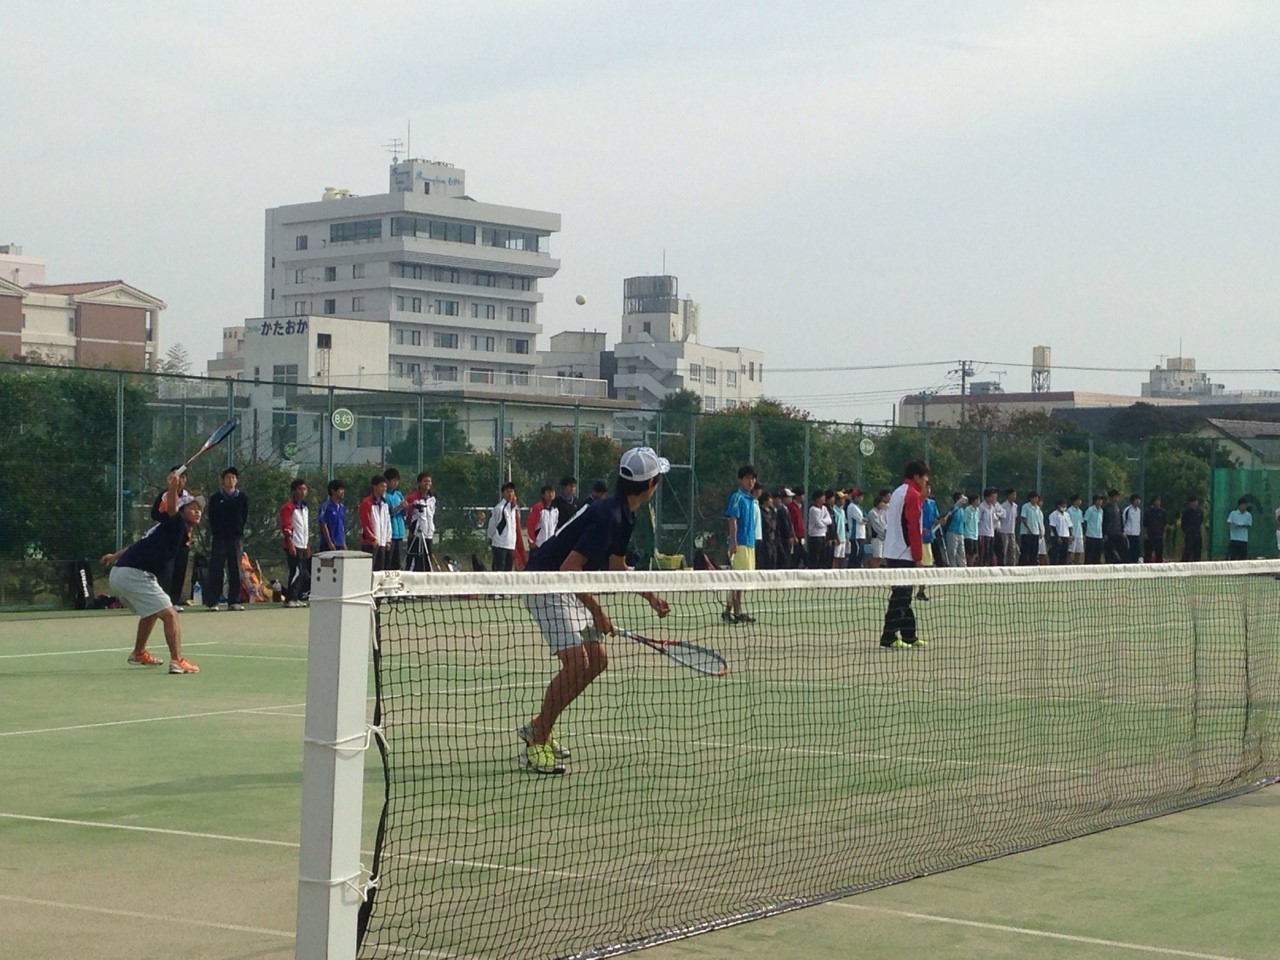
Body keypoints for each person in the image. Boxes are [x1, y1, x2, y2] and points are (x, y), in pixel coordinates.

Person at [517, 446, 671, 774]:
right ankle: (537, 741)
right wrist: (599, 611)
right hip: (545, 583)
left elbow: (616, 568)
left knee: (597, 660)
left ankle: (540, 724)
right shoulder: (608, 515)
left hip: (568, 584)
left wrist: (649, 596)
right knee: (577, 662)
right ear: (650, 484)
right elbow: (568, 570)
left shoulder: (626, 515)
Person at [100, 469, 202, 673]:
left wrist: (114, 556)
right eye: (192, 508)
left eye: (199, 509)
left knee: (151, 612)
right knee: (170, 614)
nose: (198, 511)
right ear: (182, 512)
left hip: (123, 572)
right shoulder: (175, 524)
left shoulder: (169, 531)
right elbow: (172, 508)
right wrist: (173, 486)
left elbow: (140, 544)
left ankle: (138, 652)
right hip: (133, 574)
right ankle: (177, 660)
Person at [880, 459, 930, 650]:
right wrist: (918, 557)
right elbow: (911, 528)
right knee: (900, 597)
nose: (926, 481)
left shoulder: (898, 492)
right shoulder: (912, 494)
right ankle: (888, 637)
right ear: (917, 476)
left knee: (903, 597)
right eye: (925, 477)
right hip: (904, 554)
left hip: (893, 552)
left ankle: (909, 636)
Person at [204, 466, 248, 611]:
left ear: (237, 480)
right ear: (223, 480)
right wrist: (218, 532)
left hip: (235, 539)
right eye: (228, 478)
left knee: (235, 569)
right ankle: (213, 602)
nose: (231, 480)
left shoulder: (242, 498)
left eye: (233, 478)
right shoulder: (216, 498)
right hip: (219, 539)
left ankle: (234, 601)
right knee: (216, 569)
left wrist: (238, 531)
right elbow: (212, 518)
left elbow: (244, 516)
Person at [150, 467, 191, 608]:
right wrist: (170, 520)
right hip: (167, 541)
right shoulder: (164, 496)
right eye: (178, 476)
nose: (181, 480)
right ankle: (163, 602)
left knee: (179, 571)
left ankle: (175, 601)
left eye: (183, 477)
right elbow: (155, 514)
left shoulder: (188, 498)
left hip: (183, 541)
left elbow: (193, 516)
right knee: (166, 571)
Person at [723, 464, 758, 624]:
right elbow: (733, 520)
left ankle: (728, 611)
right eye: (747, 478)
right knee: (738, 579)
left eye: (753, 478)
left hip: (750, 544)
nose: (750, 481)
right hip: (741, 544)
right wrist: (734, 542)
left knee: (742, 580)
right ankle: (736, 612)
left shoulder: (751, 500)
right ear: (741, 479)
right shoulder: (737, 497)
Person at [279, 478, 311, 607]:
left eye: (304, 489)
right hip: (293, 544)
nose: (302, 492)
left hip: (303, 545)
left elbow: (306, 528)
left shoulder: (304, 508)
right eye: (299, 489)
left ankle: (295, 597)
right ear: (294, 491)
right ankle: (290, 599)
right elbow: (286, 526)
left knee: (303, 573)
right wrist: (290, 542)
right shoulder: (288, 507)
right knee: (297, 572)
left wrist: (307, 545)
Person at [359, 474, 393, 571]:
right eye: (382, 486)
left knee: (380, 569)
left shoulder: (384, 503)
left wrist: (388, 539)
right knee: (368, 569)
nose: (384, 489)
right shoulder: (367, 503)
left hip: (381, 542)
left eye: (386, 486)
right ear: (374, 486)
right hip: (370, 543)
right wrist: (372, 538)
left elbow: (387, 522)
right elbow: (366, 522)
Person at [404, 472, 436, 572]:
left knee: (427, 559)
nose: (428, 483)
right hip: (416, 534)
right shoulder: (413, 497)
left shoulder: (432, 498)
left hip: (428, 533)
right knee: (415, 560)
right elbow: (407, 514)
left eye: (429, 481)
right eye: (425, 481)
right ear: (419, 483)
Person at [486, 482, 519, 572]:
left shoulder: (513, 508)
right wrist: (489, 536)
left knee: (508, 570)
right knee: (499, 570)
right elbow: (493, 524)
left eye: (512, 492)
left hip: (510, 544)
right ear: (503, 493)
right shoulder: (499, 508)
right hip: (500, 544)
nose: (510, 494)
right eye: (508, 492)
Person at [917, 481, 939, 600]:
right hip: (915, 540)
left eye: (929, 488)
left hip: (927, 540)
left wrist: (939, 521)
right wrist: (920, 530)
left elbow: (935, 519)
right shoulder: (915, 502)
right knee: (915, 567)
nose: (928, 490)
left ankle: (921, 591)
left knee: (927, 567)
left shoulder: (932, 504)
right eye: (926, 488)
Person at [383, 468, 407, 570]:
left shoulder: (398, 494)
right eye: (394, 481)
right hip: (390, 533)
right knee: (388, 560)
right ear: (387, 481)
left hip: (399, 532)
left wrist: (405, 507)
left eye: (397, 481)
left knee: (398, 560)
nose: (396, 483)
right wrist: (399, 507)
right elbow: (387, 512)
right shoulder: (385, 495)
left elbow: (404, 512)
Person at [318, 478, 347, 551]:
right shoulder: (326, 507)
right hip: (328, 545)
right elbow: (323, 525)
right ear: (333, 491)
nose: (343, 492)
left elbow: (342, 526)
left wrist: (343, 542)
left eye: (343, 489)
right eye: (340, 489)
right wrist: (329, 542)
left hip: (340, 544)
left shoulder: (342, 507)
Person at [806, 488, 831, 569]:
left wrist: (823, 521)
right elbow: (818, 523)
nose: (824, 498)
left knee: (823, 557)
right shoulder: (813, 509)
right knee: (815, 557)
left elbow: (829, 520)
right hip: (815, 536)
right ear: (817, 498)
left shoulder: (824, 508)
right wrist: (824, 522)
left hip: (823, 535)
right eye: (822, 497)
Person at [976, 488, 1002, 567]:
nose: (994, 499)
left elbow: (994, 519)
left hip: (991, 533)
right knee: (984, 553)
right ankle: (981, 567)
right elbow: (978, 520)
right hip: (983, 533)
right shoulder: (982, 507)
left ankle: (987, 567)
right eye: (993, 497)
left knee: (990, 553)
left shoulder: (992, 507)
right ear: (987, 497)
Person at [1018, 491, 1044, 566]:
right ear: (1030, 498)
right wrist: (1028, 529)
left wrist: (1040, 530)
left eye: (1037, 498)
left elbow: (1038, 520)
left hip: (1035, 532)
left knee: (1034, 551)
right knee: (1025, 551)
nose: (1036, 500)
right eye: (1034, 498)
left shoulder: (1038, 508)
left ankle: (1032, 564)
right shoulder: (1025, 506)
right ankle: (1023, 565)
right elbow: (1023, 518)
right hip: (1026, 533)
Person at [942, 493, 968, 569]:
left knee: (962, 553)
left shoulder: (962, 510)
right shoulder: (953, 509)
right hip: (952, 533)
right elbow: (947, 518)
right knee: (952, 553)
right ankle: (952, 568)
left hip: (961, 533)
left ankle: (963, 569)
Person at [866, 490, 890, 568]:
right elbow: (877, 527)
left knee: (880, 557)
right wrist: (883, 534)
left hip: (882, 538)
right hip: (876, 537)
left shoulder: (880, 512)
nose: (883, 504)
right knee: (876, 556)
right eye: (881, 503)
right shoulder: (872, 513)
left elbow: (883, 524)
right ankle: (872, 569)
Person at [758, 489, 779, 570]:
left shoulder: (771, 511)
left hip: (772, 538)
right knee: (767, 558)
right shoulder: (761, 511)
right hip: (765, 539)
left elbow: (774, 522)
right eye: (770, 498)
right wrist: (771, 526)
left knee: (773, 558)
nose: (771, 500)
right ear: (765, 500)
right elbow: (767, 524)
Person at [1102, 490, 1126, 564]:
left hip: (1118, 533)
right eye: (1116, 497)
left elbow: (1121, 520)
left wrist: (1122, 531)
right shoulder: (1105, 508)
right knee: (1108, 553)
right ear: (1111, 497)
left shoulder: (1118, 508)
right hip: (1109, 534)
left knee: (1123, 552)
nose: (1117, 498)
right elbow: (1103, 522)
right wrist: (1105, 533)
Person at [997, 489, 1019, 565]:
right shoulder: (1003, 506)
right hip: (1004, 531)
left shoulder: (1015, 506)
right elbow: (999, 518)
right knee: (1004, 551)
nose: (1014, 497)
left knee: (1013, 551)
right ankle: (1003, 565)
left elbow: (1015, 519)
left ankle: (1012, 566)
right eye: (1013, 495)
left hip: (1012, 532)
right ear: (1008, 496)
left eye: (1015, 495)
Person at [1143, 495, 1168, 563]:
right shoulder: (1148, 512)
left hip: (1159, 536)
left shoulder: (1163, 512)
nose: (1158, 502)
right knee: (1148, 554)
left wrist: (1164, 533)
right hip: (1150, 536)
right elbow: (1145, 524)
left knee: (1159, 554)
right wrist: (1145, 534)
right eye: (1156, 501)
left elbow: (1165, 524)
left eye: (1159, 501)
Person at [1048, 499, 1073, 565]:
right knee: (1055, 554)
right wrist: (1057, 537)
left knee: (1064, 554)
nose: (1064, 507)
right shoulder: (1053, 514)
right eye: (1062, 505)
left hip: (1066, 536)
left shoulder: (1067, 514)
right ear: (1058, 506)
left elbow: (1069, 525)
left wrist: (1071, 535)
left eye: (1065, 505)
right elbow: (1053, 526)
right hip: (1057, 537)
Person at [845, 488, 865, 568]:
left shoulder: (858, 507)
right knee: (856, 553)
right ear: (856, 497)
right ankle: (852, 568)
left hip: (861, 534)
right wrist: (864, 520)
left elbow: (865, 518)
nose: (862, 498)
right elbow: (861, 520)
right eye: (860, 496)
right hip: (855, 535)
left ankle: (856, 567)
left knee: (860, 553)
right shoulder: (852, 507)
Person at [1180, 495, 1204, 561]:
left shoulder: (1200, 512)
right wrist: (1187, 532)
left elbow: (1200, 521)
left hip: (1198, 534)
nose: (1196, 503)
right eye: (1194, 501)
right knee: (1187, 552)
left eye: (1196, 501)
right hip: (1189, 535)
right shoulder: (1186, 512)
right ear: (1191, 502)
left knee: (1197, 553)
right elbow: (1183, 524)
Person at [1083, 493, 1105, 564]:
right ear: (1095, 501)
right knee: (1089, 554)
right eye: (1098, 500)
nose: (1100, 502)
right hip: (1090, 535)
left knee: (1098, 554)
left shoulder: (1101, 511)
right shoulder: (1090, 510)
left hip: (1099, 536)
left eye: (1101, 500)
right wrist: (1084, 534)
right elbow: (1085, 521)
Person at [1122, 494, 1143, 563]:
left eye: (1139, 500)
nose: (1138, 501)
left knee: (1136, 551)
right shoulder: (1127, 510)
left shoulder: (1139, 510)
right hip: (1128, 535)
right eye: (1136, 500)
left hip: (1136, 534)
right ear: (1132, 501)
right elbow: (1123, 521)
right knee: (1129, 552)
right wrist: (1124, 532)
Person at [831, 489, 849, 569]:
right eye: (842, 499)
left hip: (843, 538)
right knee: (835, 557)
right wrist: (836, 537)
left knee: (841, 557)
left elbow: (844, 524)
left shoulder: (842, 511)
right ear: (837, 500)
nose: (843, 501)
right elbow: (834, 526)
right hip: (837, 538)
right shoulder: (833, 510)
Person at [1067, 494, 1085, 565]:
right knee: (1070, 551)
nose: (1080, 501)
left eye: (1080, 500)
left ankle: (1077, 564)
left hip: (1079, 534)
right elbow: (1068, 523)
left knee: (1079, 551)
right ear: (1074, 501)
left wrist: (1082, 534)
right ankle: (1068, 563)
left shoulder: (1080, 511)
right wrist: (1070, 534)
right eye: (1078, 500)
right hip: (1073, 534)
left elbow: (1080, 523)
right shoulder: (1069, 510)